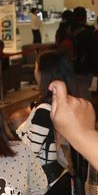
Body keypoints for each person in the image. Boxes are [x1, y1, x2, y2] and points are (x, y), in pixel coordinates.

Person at [19, 49, 77, 181]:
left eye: (36, 67)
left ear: (43, 74)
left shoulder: (44, 111)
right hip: (62, 175)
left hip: (44, 180)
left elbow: (29, 153)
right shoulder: (71, 104)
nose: (34, 71)